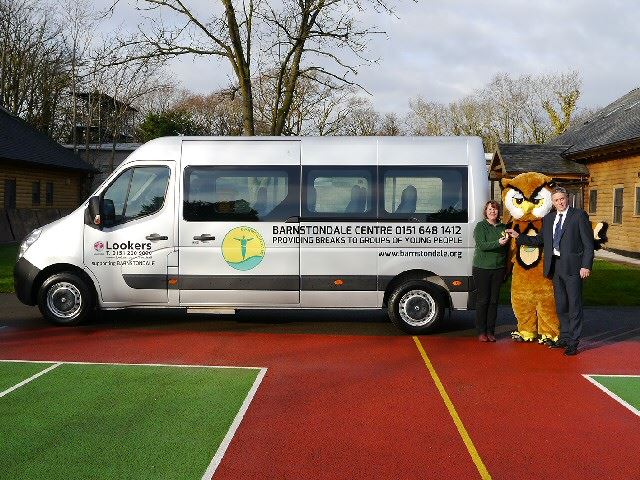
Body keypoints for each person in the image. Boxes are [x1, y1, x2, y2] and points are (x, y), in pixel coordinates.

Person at [506, 186, 594, 356]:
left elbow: (588, 244)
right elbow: (539, 240)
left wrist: (586, 266)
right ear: (552, 203)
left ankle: (573, 342)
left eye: (562, 199)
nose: (560, 202)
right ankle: (564, 337)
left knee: (574, 306)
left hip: (574, 268)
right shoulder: (549, 218)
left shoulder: (578, 215)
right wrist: (518, 237)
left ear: (567, 198)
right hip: (555, 267)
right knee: (561, 306)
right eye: (556, 200)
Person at [472, 200, 509, 342]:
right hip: (482, 268)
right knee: (483, 300)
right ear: (485, 212)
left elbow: (507, 250)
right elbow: (482, 245)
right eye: (490, 209)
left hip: (498, 269)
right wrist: (498, 243)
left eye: (495, 209)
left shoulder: (503, 227)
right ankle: (481, 331)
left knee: (494, 301)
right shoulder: (481, 226)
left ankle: (490, 331)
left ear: (498, 212)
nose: (492, 212)